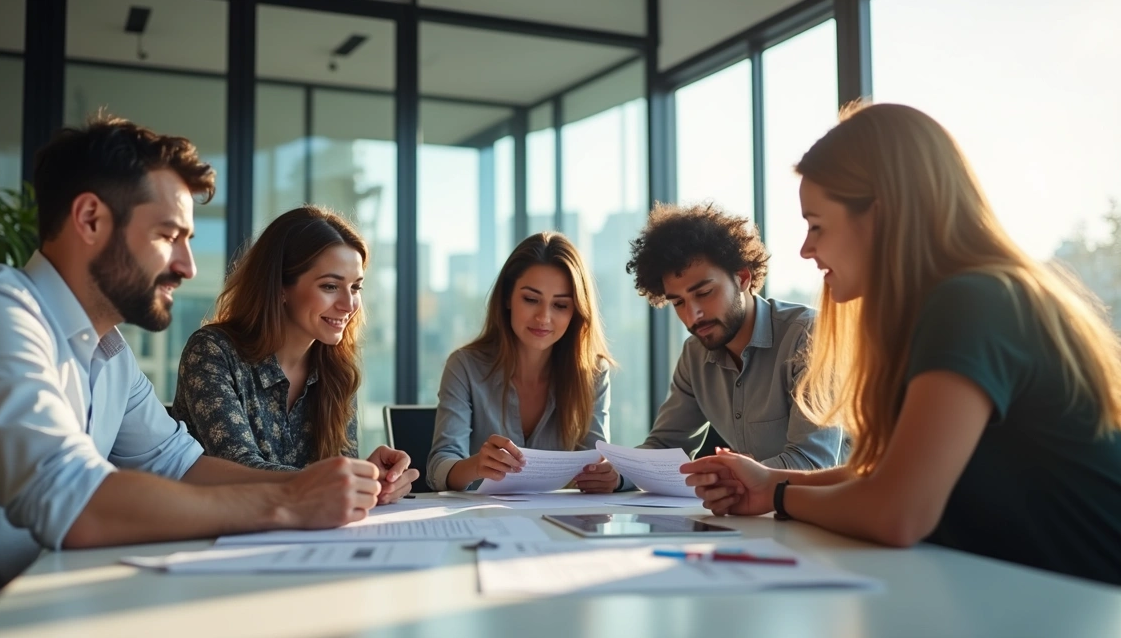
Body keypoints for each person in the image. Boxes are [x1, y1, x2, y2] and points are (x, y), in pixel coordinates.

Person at [0, 116, 383, 635]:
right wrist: (291, 502)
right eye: (168, 235)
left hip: (48, 594)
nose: (187, 265)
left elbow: (183, 465)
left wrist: (328, 485)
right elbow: (75, 505)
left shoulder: (110, 354)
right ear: (90, 219)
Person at [681, 102, 1121, 585]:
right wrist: (769, 484)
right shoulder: (953, 303)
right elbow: (882, 472)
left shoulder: (973, 302)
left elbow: (898, 511)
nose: (806, 248)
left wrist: (779, 496)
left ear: (880, 214)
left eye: (817, 225)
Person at [172, 206, 415, 504]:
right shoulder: (212, 351)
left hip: (305, 535)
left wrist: (371, 479)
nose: (349, 304)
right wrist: (345, 477)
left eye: (355, 287)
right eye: (330, 286)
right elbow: (237, 468)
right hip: (216, 535)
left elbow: (335, 474)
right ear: (280, 288)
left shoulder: (336, 369)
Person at [625, 202, 848, 469]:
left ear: (742, 278)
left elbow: (813, 462)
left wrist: (730, 479)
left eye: (704, 293)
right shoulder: (694, 356)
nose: (692, 315)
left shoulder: (809, 336)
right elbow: (665, 447)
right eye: (678, 303)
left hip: (839, 507)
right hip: (755, 510)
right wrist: (619, 474)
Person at [427, 232, 618, 492]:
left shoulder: (593, 372)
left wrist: (607, 476)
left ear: (576, 312)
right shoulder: (464, 366)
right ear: (507, 297)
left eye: (560, 305)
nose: (544, 317)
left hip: (562, 525)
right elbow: (439, 468)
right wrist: (476, 466)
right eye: (531, 299)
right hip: (483, 522)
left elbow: (594, 463)